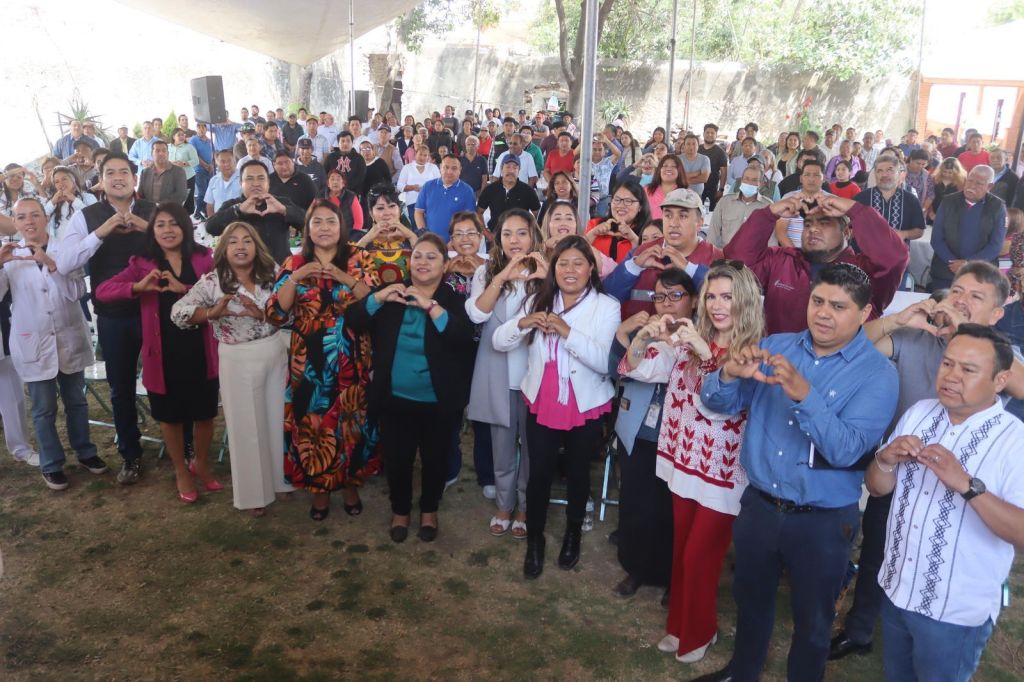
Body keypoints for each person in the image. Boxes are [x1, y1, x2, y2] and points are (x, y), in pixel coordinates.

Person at [692, 264, 899, 682]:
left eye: (838, 306)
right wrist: (728, 373)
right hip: (760, 506)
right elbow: (718, 403)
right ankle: (743, 672)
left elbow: (846, 449)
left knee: (813, 621)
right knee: (751, 601)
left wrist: (806, 395)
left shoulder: (879, 375)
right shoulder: (777, 345)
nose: (823, 313)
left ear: (865, 313)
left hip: (823, 521)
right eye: (817, 301)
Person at [830, 260, 1023, 663]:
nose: (962, 300)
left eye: (975, 296)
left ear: (996, 314)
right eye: (958, 291)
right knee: (878, 552)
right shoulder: (917, 337)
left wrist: (968, 336)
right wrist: (897, 320)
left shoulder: (1003, 357)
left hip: (967, 494)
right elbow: (849, 347)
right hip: (900, 470)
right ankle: (862, 629)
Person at [621, 263, 763, 662]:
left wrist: (705, 353)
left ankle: (700, 631)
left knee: (700, 556)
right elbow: (641, 368)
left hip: (722, 473)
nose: (718, 305)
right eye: (712, 296)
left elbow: (722, 405)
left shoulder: (753, 351)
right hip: (683, 461)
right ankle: (679, 626)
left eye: (727, 297)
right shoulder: (687, 341)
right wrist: (642, 339)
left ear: (745, 301)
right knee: (682, 549)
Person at [867, 325, 1024, 682]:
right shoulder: (919, 413)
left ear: (1000, 380)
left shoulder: (1014, 441)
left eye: (968, 370)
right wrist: (886, 459)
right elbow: (876, 488)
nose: (951, 376)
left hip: (953, 613)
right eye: (947, 363)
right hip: (896, 590)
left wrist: (967, 485)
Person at [492, 235, 620, 578]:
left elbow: (604, 362)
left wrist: (567, 332)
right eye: (563, 263)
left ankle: (572, 533)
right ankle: (535, 539)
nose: (570, 270)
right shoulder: (538, 298)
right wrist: (523, 323)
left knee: (578, 472)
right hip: (542, 397)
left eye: (578, 263)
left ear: (591, 268)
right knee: (539, 473)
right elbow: (498, 341)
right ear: (553, 268)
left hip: (585, 401)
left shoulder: (607, 306)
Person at [346, 233, 476, 542]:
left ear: (444, 265)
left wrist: (431, 307)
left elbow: (463, 337)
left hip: (438, 399)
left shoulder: (453, 298)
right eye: (417, 256)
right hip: (395, 398)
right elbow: (354, 319)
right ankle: (400, 510)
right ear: (409, 261)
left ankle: (429, 509)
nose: (423, 262)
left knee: (435, 459)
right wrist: (378, 298)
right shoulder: (394, 294)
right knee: (398, 459)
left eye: (432, 257)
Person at [94, 202, 221, 502]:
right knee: (170, 415)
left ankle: (201, 463)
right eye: (160, 224)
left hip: (201, 348)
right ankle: (181, 470)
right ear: (152, 230)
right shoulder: (142, 262)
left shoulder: (204, 258)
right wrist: (137, 287)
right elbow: (102, 291)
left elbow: (222, 294)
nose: (167, 230)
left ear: (185, 227)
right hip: (163, 352)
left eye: (173, 223)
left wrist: (184, 288)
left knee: (204, 414)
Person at [171, 221, 292, 516]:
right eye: (233, 241)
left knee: (277, 420)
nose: (240, 246)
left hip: (275, 352)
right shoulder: (213, 282)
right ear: (224, 248)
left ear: (256, 246)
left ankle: (281, 481)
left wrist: (263, 314)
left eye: (247, 240)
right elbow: (178, 313)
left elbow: (293, 313)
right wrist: (210, 313)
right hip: (237, 358)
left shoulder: (272, 273)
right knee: (246, 428)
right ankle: (254, 495)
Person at [265, 199, 374, 521]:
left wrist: (342, 276)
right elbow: (275, 313)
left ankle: (351, 486)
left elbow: (375, 303)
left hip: (351, 356)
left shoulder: (359, 257)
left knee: (351, 423)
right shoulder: (295, 261)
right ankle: (319, 491)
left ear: (341, 226)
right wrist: (296, 277)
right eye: (317, 222)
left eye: (331, 221)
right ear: (307, 229)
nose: (324, 228)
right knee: (312, 424)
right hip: (308, 363)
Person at [56, 153, 156, 484]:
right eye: (110, 173)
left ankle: (182, 444)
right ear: (100, 181)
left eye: (124, 172)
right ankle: (130, 454)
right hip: (113, 316)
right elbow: (66, 262)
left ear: (134, 178)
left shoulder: (153, 210)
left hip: (154, 309)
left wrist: (148, 228)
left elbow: (181, 250)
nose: (118, 177)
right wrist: (101, 232)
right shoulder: (86, 217)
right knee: (121, 387)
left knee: (167, 378)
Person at [606, 268, 698, 599]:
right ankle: (635, 568)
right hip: (638, 430)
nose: (666, 303)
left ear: (694, 300)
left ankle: (674, 576)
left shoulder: (702, 338)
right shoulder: (645, 330)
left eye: (676, 295)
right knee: (635, 501)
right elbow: (616, 369)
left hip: (680, 439)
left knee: (672, 510)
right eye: (660, 296)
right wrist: (627, 334)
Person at [0, 197, 102, 489]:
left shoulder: (64, 249)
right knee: (43, 408)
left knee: (76, 401)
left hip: (68, 335)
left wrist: (51, 264)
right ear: (15, 223)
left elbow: (76, 292)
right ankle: (51, 463)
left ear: (45, 218)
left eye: (34, 215)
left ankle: (85, 451)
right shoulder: (10, 255)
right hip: (33, 340)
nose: (29, 222)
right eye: (21, 217)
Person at [466, 209, 546, 536]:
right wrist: (502, 277)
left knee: (531, 446)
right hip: (497, 371)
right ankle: (504, 503)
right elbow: (476, 314)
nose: (514, 240)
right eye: (507, 233)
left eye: (521, 233)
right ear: (498, 238)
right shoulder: (486, 272)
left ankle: (525, 506)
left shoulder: (546, 270)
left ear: (533, 236)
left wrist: (545, 278)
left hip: (534, 375)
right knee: (501, 446)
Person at [727, 192, 908, 334]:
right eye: (807, 224)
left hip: (840, 368)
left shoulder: (864, 271)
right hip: (778, 364)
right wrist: (768, 214)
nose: (813, 229)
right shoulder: (782, 260)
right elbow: (737, 264)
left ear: (846, 232)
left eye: (824, 223)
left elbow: (894, 258)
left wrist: (856, 211)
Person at [603, 188, 721, 319]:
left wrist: (691, 270)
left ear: (699, 223)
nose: (673, 224)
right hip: (639, 332)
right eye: (668, 215)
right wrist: (633, 267)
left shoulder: (715, 257)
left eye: (683, 216)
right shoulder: (641, 253)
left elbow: (729, 303)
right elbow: (605, 299)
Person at [206, 160, 306, 264]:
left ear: (268, 183)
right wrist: (238, 210)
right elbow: (211, 228)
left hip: (280, 269)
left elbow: (307, 224)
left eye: (261, 178)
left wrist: (285, 210)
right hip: (244, 270)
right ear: (241, 183)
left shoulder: (280, 203)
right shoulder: (233, 205)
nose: (256, 183)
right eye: (249, 179)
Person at [930, 165, 1007, 290]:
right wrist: (953, 262)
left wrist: (968, 263)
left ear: (989, 187)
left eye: (979, 183)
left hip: (980, 274)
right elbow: (936, 239)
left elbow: (995, 245)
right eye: (970, 181)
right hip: (946, 270)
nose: (972, 186)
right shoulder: (948, 201)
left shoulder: (997, 207)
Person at [854, 155, 926, 242]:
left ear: (899, 174)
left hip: (898, 250)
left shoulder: (911, 200)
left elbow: (920, 230)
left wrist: (904, 234)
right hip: (863, 250)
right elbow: (849, 226)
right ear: (875, 175)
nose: (884, 175)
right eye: (880, 171)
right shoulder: (861, 198)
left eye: (890, 170)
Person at [585, 179, 651, 264]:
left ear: (640, 207)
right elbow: (577, 253)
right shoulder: (594, 225)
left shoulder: (648, 231)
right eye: (617, 199)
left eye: (628, 201)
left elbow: (650, 263)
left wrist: (634, 239)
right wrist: (593, 233)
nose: (621, 205)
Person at [707, 167, 772, 248]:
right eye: (746, 179)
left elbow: (771, 239)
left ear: (761, 184)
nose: (749, 183)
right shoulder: (725, 202)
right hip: (726, 253)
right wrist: (709, 252)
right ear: (741, 181)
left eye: (754, 180)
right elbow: (713, 231)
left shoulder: (767, 206)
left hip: (754, 254)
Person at [415, 155, 477, 238]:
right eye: (446, 167)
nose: (449, 171)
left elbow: (470, 220)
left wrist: (454, 241)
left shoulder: (467, 191)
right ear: (440, 167)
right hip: (431, 241)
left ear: (460, 170)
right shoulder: (428, 186)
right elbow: (418, 212)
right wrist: (424, 235)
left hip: (456, 242)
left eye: (454, 168)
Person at [477, 156, 540, 234]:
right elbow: (479, 212)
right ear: (501, 169)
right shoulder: (490, 189)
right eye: (508, 167)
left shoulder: (528, 191)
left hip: (519, 236)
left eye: (515, 168)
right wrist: (487, 234)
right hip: (495, 235)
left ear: (519, 170)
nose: (511, 171)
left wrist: (530, 233)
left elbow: (538, 214)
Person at [44, 166, 97, 239]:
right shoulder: (53, 204)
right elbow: (41, 220)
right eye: (57, 182)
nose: (61, 184)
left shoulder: (88, 197)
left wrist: (74, 200)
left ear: (73, 181)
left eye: (64, 179)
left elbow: (95, 218)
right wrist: (53, 202)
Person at [396, 145, 440, 226]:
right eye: (420, 154)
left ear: (428, 157)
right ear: (415, 154)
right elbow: (400, 186)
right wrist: (412, 187)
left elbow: (439, 185)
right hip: (413, 203)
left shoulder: (433, 167)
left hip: (430, 203)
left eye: (425, 155)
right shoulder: (407, 168)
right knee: (417, 228)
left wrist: (427, 189)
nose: (422, 157)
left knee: (431, 227)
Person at [167, 129, 201, 215]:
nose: (182, 137)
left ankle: (188, 219)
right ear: (173, 136)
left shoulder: (189, 147)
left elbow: (196, 161)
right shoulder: (167, 147)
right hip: (172, 178)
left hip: (187, 177)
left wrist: (184, 163)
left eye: (183, 135)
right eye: (179, 135)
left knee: (188, 201)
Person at [321, 169, 364, 233]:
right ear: (328, 184)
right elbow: (313, 217)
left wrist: (353, 236)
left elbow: (358, 222)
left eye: (338, 179)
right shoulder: (320, 196)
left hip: (347, 233)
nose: (335, 182)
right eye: (332, 179)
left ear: (343, 184)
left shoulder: (351, 197)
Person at [646, 154, 688, 221]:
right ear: (659, 170)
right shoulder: (646, 190)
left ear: (679, 171)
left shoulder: (688, 194)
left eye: (674, 166)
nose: (668, 169)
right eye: (665, 166)